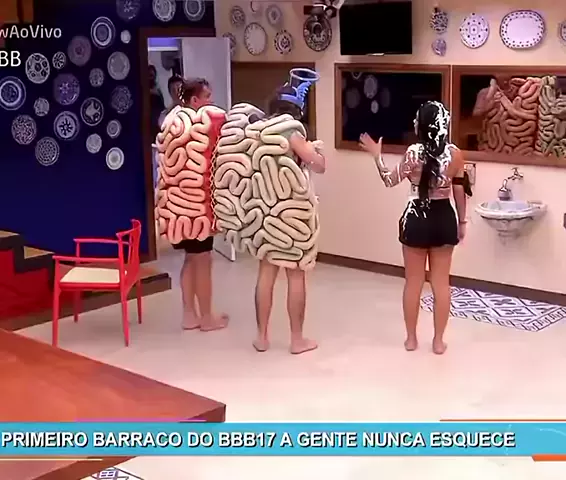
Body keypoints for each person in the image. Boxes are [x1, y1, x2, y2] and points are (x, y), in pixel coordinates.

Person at [359, 101, 468, 355]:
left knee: (413, 282)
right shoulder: (456, 154)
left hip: (416, 218)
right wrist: (462, 222)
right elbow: (459, 191)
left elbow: (389, 180)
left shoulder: (413, 153)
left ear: (422, 126)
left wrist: (377, 156)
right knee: (441, 283)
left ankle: (411, 339)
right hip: (444, 217)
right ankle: (438, 341)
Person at [253, 84, 326, 355]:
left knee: (265, 273)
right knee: (296, 275)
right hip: (293, 213)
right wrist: (316, 151)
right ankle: (297, 339)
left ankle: (262, 337)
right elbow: (318, 164)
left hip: (266, 210)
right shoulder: (292, 132)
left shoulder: (259, 131)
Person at [173, 77, 228, 332]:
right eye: (207, 96)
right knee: (203, 259)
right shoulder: (203, 126)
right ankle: (206, 317)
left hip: (178, 204)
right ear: (195, 100)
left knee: (191, 258)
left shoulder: (172, 123)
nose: (211, 101)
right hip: (198, 204)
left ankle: (189, 314)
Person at [149, 65, 165, 140]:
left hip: (157, 119)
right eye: (149, 75)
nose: (150, 78)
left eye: (152, 75)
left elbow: (162, 106)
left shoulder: (158, 90)